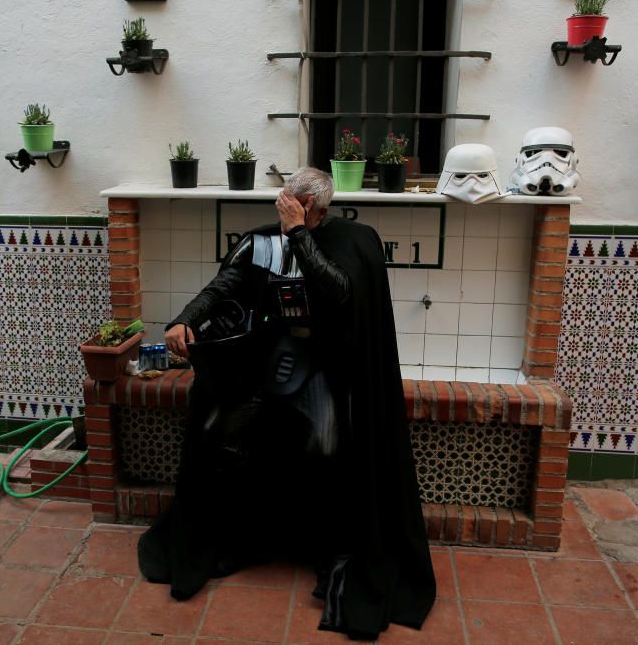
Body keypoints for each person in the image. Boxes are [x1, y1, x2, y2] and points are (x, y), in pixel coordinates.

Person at [137, 167, 435, 640]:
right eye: (283, 202)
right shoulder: (259, 242)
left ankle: (333, 556)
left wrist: (299, 232)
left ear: (314, 207)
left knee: (328, 449)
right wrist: (185, 319)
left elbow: (340, 293)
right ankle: (231, 539)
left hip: (321, 364)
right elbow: (224, 286)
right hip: (263, 358)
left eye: (293, 204)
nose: (282, 209)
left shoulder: (354, 240)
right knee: (221, 437)